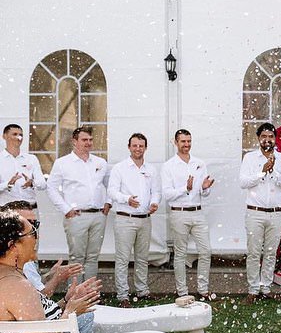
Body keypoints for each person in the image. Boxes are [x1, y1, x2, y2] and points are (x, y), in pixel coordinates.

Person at [0, 201, 95, 333]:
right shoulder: (14, 281)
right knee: (86, 318)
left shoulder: (15, 268)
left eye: (35, 225)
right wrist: (69, 311)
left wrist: (65, 298)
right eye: (28, 226)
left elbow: (35, 298)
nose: (35, 233)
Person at [46, 126, 111, 282]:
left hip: (98, 216)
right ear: (74, 141)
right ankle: (74, 293)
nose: (88, 143)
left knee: (93, 257)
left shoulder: (100, 162)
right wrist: (66, 209)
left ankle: (90, 293)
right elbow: (51, 188)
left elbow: (111, 185)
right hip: (76, 216)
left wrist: (108, 202)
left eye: (90, 140)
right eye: (84, 140)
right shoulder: (63, 163)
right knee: (76, 257)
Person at [238, 123, 281, 305]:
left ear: (275, 139)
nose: (267, 140)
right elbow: (243, 182)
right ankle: (253, 289)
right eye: (264, 136)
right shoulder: (250, 158)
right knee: (253, 252)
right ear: (258, 138)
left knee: (270, 252)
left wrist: (273, 169)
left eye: (270, 136)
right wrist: (262, 171)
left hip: (276, 213)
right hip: (255, 212)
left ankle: (266, 288)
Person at [108, 133, 161, 308]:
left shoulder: (151, 169)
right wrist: (126, 199)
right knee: (123, 259)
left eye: (141, 145)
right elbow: (112, 192)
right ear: (129, 147)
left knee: (142, 258)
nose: (138, 148)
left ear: (146, 147)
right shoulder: (120, 168)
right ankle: (123, 295)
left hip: (145, 219)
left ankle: (142, 291)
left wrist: (154, 203)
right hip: (125, 219)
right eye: (135, 145)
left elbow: (157, 192)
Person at [162, 129, 215, 301]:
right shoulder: (168, 166)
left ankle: (203, 290)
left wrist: (205, 188)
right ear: (175, 143)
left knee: (206, 251)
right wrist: (185, 188)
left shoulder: (199, 163)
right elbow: (167, 194)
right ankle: (182, 291)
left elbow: (203, 194)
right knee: (180, 254)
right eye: (183, 141)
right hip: (179, 213)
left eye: (189, 141)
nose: (186, 145)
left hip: (198, 212)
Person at [0, 123, 46, 208]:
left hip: (30, 209)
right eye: (15, 134)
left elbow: (43, 184)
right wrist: (8, 184)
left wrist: (32, 183)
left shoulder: (32, 159)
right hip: (6, 211)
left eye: (21, 135)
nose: (19, 137)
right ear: (4, 136)